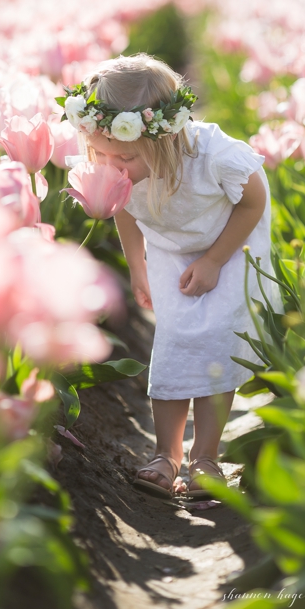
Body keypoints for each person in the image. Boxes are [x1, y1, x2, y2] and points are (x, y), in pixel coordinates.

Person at [64, 55, 274, 499]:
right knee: (175, 341)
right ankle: (167, 453)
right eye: (100, 154)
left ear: (168, 137)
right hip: (170, 247)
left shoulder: (214, 156)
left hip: (230, 244)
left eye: (125, 157)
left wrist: (214, 260)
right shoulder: (119, 162)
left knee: (216, 341)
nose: (112, 166)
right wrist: (137, 267)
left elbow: (253, 201)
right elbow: (123, 208)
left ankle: (206, 457)